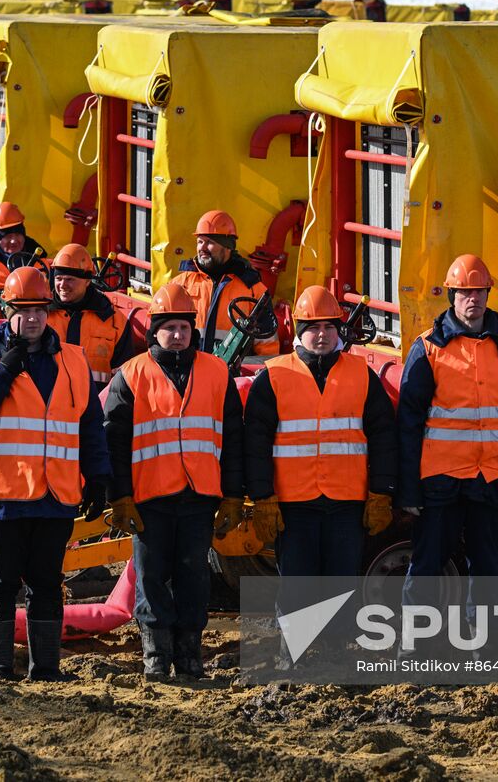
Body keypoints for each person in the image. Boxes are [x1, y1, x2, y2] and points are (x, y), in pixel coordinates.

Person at [0, 266, 112, 682]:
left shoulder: (72, 359)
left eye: (40, 310)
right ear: (6, 312)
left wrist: (97, 476)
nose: (34, 319)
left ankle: (46, 668)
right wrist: (3, 370)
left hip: (54, 495)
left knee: (46, 582)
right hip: (1, 497)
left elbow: (89, 423)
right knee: (1, 583)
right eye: (24, 310)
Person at [103, 283, 244, 679]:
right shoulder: (131, 376)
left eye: (183, 327)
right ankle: (156, 653)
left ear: (193, 330)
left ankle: (189, 654)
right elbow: (114, 442)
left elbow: (233, 438)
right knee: (150, 576)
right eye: (169, 328)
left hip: (199, 496)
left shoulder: (216, 372)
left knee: (194, 575)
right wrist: (120, 497)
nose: (178, 335)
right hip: (149, 498)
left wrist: (233, 495)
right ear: (154, 331)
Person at [395, 255, 498, 586]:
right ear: (451, 296)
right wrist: (408, 491)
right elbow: (407, 425)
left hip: (492, 478)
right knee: (426, 565)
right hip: (440, 482)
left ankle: (484, 638)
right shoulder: (429, 348)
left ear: (488, 294)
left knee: (489, 568)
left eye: (478, 291)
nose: (472, 299)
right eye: (464, 292)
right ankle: (419, 637)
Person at [244, 285, 397, 590]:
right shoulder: (273, 377)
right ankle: (299, 640)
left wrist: (382, 493)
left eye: (330, 326)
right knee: (298, 591)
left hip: (347, 506)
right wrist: (262, 497)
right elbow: (255, 444)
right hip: (293, 506)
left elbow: (384, 437)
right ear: (300, 330)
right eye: (313, 327)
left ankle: (335, 640)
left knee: (340, 589)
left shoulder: (362, 375)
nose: (323, 334)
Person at [168, 209, 278, 357]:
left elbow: (267, 346)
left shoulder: (254, 290)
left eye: (210, 242)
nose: (202, 248)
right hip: (189, 370)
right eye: (200, 242)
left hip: (232, 375)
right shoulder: (180, 285)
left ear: (227, 247)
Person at [46, 243, 133, 391]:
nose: (62, 285)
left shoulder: (115, 321)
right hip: (50, 405)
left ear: (87, 281)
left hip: (96, 407)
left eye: (70, 279)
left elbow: (124, 376)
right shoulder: (42, 315)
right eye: (59, 278)